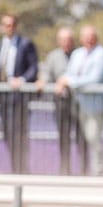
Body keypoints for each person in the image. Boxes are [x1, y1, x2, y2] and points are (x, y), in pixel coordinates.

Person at [55, 25, 103, 177]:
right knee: (85, 139)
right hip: (79, 105)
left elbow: (94, 79)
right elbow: (70, 73)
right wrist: (63, 80)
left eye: (91, 35)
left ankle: (98, 172)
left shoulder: (102, 54)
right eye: (85, 36)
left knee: (94, 137)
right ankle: (87, 171)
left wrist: (69, 81)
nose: (88, 39)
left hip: (96, 106)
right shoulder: (78, 54)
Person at [0, 14, 39, 173]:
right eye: (5, 25)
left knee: (20, 136)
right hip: (4, 99)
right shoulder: (0, 45)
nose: (8, 28)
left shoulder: (26, 44)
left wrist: (21, 80)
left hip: (19, 98)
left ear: (15, 26)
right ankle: (16, 169)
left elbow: (33, 69)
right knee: (8, 136)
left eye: (11, 25)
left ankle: (23, 170)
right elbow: (0, 67)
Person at [36, 27, 82, 174]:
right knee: (64, 136)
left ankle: (83, 168)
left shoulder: (80, 54)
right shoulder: (53, 56)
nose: (66, 43)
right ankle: (65, 168)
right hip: (61, 103)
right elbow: (46, 73)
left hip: (79, 103)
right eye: (63, 40)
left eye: (69, 40)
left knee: (82, 137)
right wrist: (42, 81)